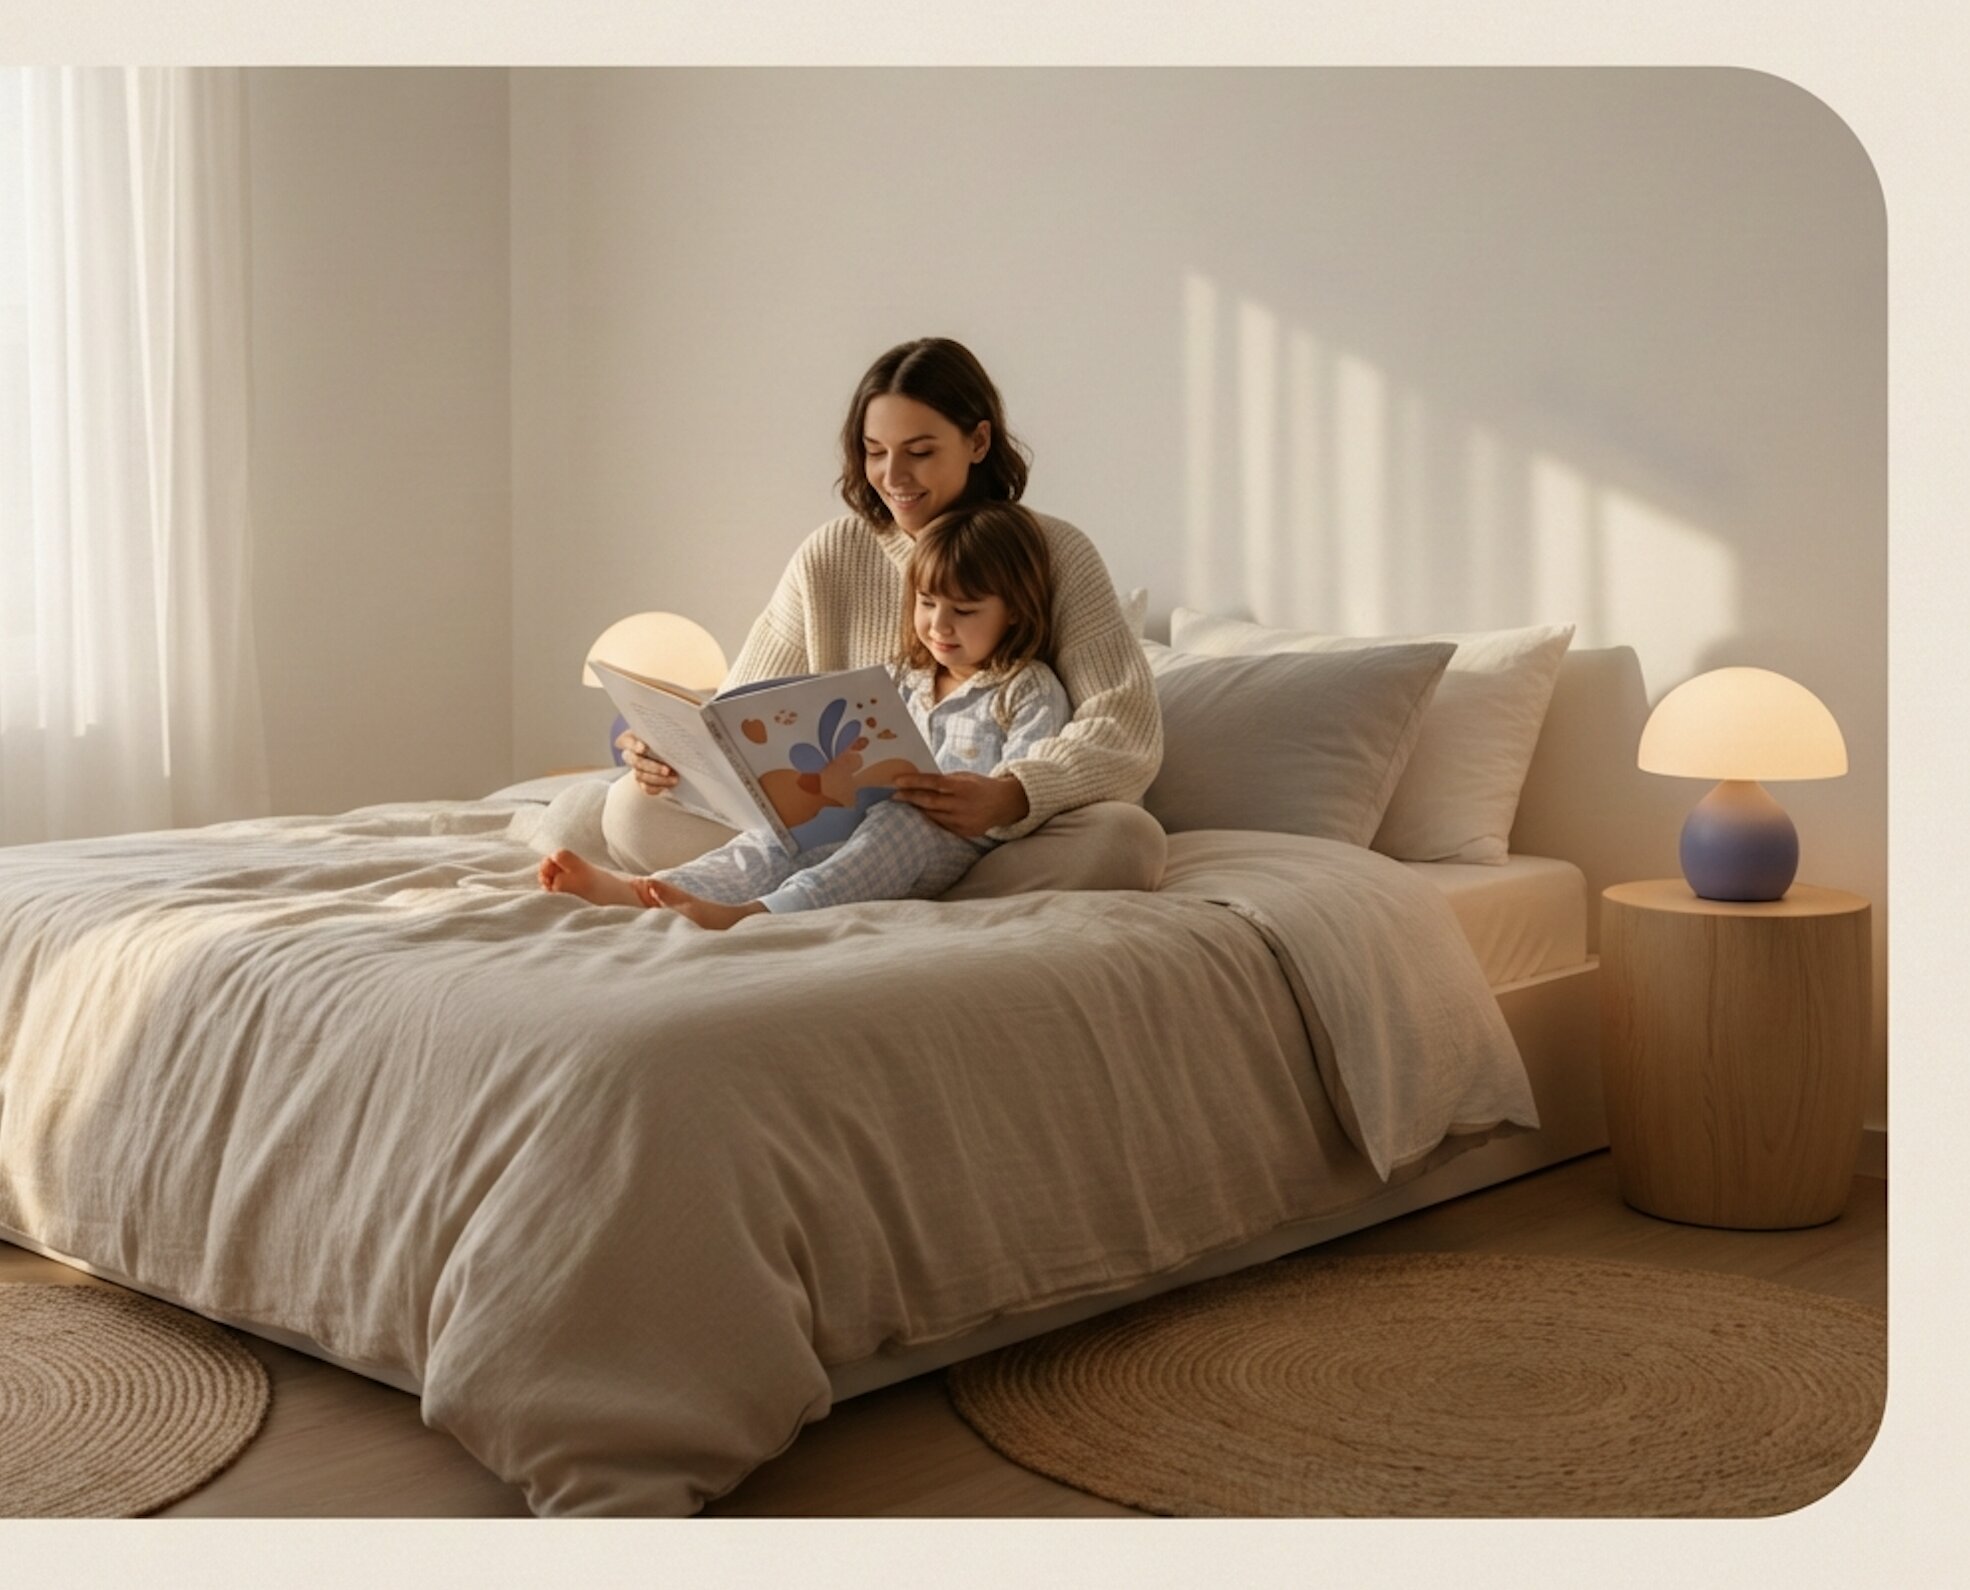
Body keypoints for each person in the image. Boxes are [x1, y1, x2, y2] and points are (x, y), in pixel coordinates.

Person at [585, 335, 1164, 892]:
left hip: (991, 839)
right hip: (838, 830)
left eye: (919, 452)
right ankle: (856, 883)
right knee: (631, 810)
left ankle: (854, 886)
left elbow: (1126, 727)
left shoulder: (1055, 551)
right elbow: (739, 711)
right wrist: (672, 754)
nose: (892, 477)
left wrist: (1014, 793)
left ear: (979, 442)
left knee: (1126, 840)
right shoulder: (831, 553)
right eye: (874, 452)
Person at [538, 503, 1071, 928]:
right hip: (861, 812)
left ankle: (760, 916)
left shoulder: (1026, 689)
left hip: (946, 836)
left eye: (965, 611)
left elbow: (1027, 786)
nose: (939, 625)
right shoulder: (902, 677)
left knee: (896, 828)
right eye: (928, 603)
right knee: (783, 837)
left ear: (1016, 610)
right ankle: (651, 891)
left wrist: (991, 796)